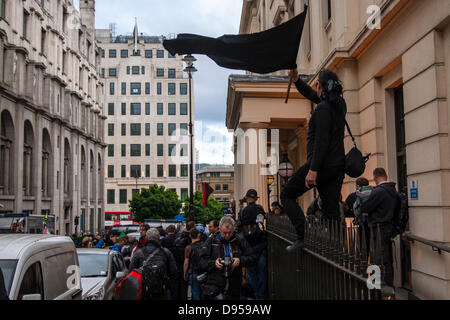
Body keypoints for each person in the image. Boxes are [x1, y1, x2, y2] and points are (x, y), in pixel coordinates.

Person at [281, 68, 347, 252]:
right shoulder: (339, 105)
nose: (315, 89)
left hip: (321, 166)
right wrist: (296, 80)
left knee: (287, 195)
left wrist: (313, 169)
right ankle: (336, 249)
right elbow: (312, 95)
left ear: (320, 86)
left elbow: (322, 141)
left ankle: (304, 236)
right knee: (331, 209)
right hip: (336, 167)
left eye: (317, 84)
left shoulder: (323, 109)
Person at [198, 216, 256, 300]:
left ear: (234, 230)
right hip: (214, 285)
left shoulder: (239, 240)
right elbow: (200, 262)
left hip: (235, 284)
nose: (227, 235)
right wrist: (214, 263)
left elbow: (253, 258)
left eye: (230, 232)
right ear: (219, 229)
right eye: (224, 233)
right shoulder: (211, 241)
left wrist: (240, 261)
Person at [360, 168, 396, 288]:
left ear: (375, 177)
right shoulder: (392, 190)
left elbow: (366, 207)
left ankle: (378, 286)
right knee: (387, 257)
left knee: (378, 257)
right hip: (389, 226)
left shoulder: (379, 191)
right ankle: (388, 284)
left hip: (378, 227)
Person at [129, 228, 177, 300]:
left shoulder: (139, 252)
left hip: (144, 290)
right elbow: (173, 272)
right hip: (162, 290)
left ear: (147, 238)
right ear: (158, 237)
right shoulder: (166, 252)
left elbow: (131, 271)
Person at [239, 189, 267, 300]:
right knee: (262, 272)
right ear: (255, 199)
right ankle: (261, 296)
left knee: (252, 273)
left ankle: (255, 294)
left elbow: (240, 225)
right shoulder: (259, 208)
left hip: (249, 245)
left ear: (247, 198)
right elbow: (261, 221)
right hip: (261, 243)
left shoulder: (243, 210)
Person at [172, 221, 195, 300]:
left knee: (177, 287)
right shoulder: (189, 239)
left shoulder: (178, 236)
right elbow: (187, 257)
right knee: (184, 287)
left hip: (177, 264)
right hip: (185, 265)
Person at [183, 228, 204, 300]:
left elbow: (186, 262)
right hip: (204, 272)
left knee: (195, 294)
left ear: (190, 236)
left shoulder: (188, 247)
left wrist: (185, 273)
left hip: (193, 273)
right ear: (199, 235)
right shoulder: (205, 246)